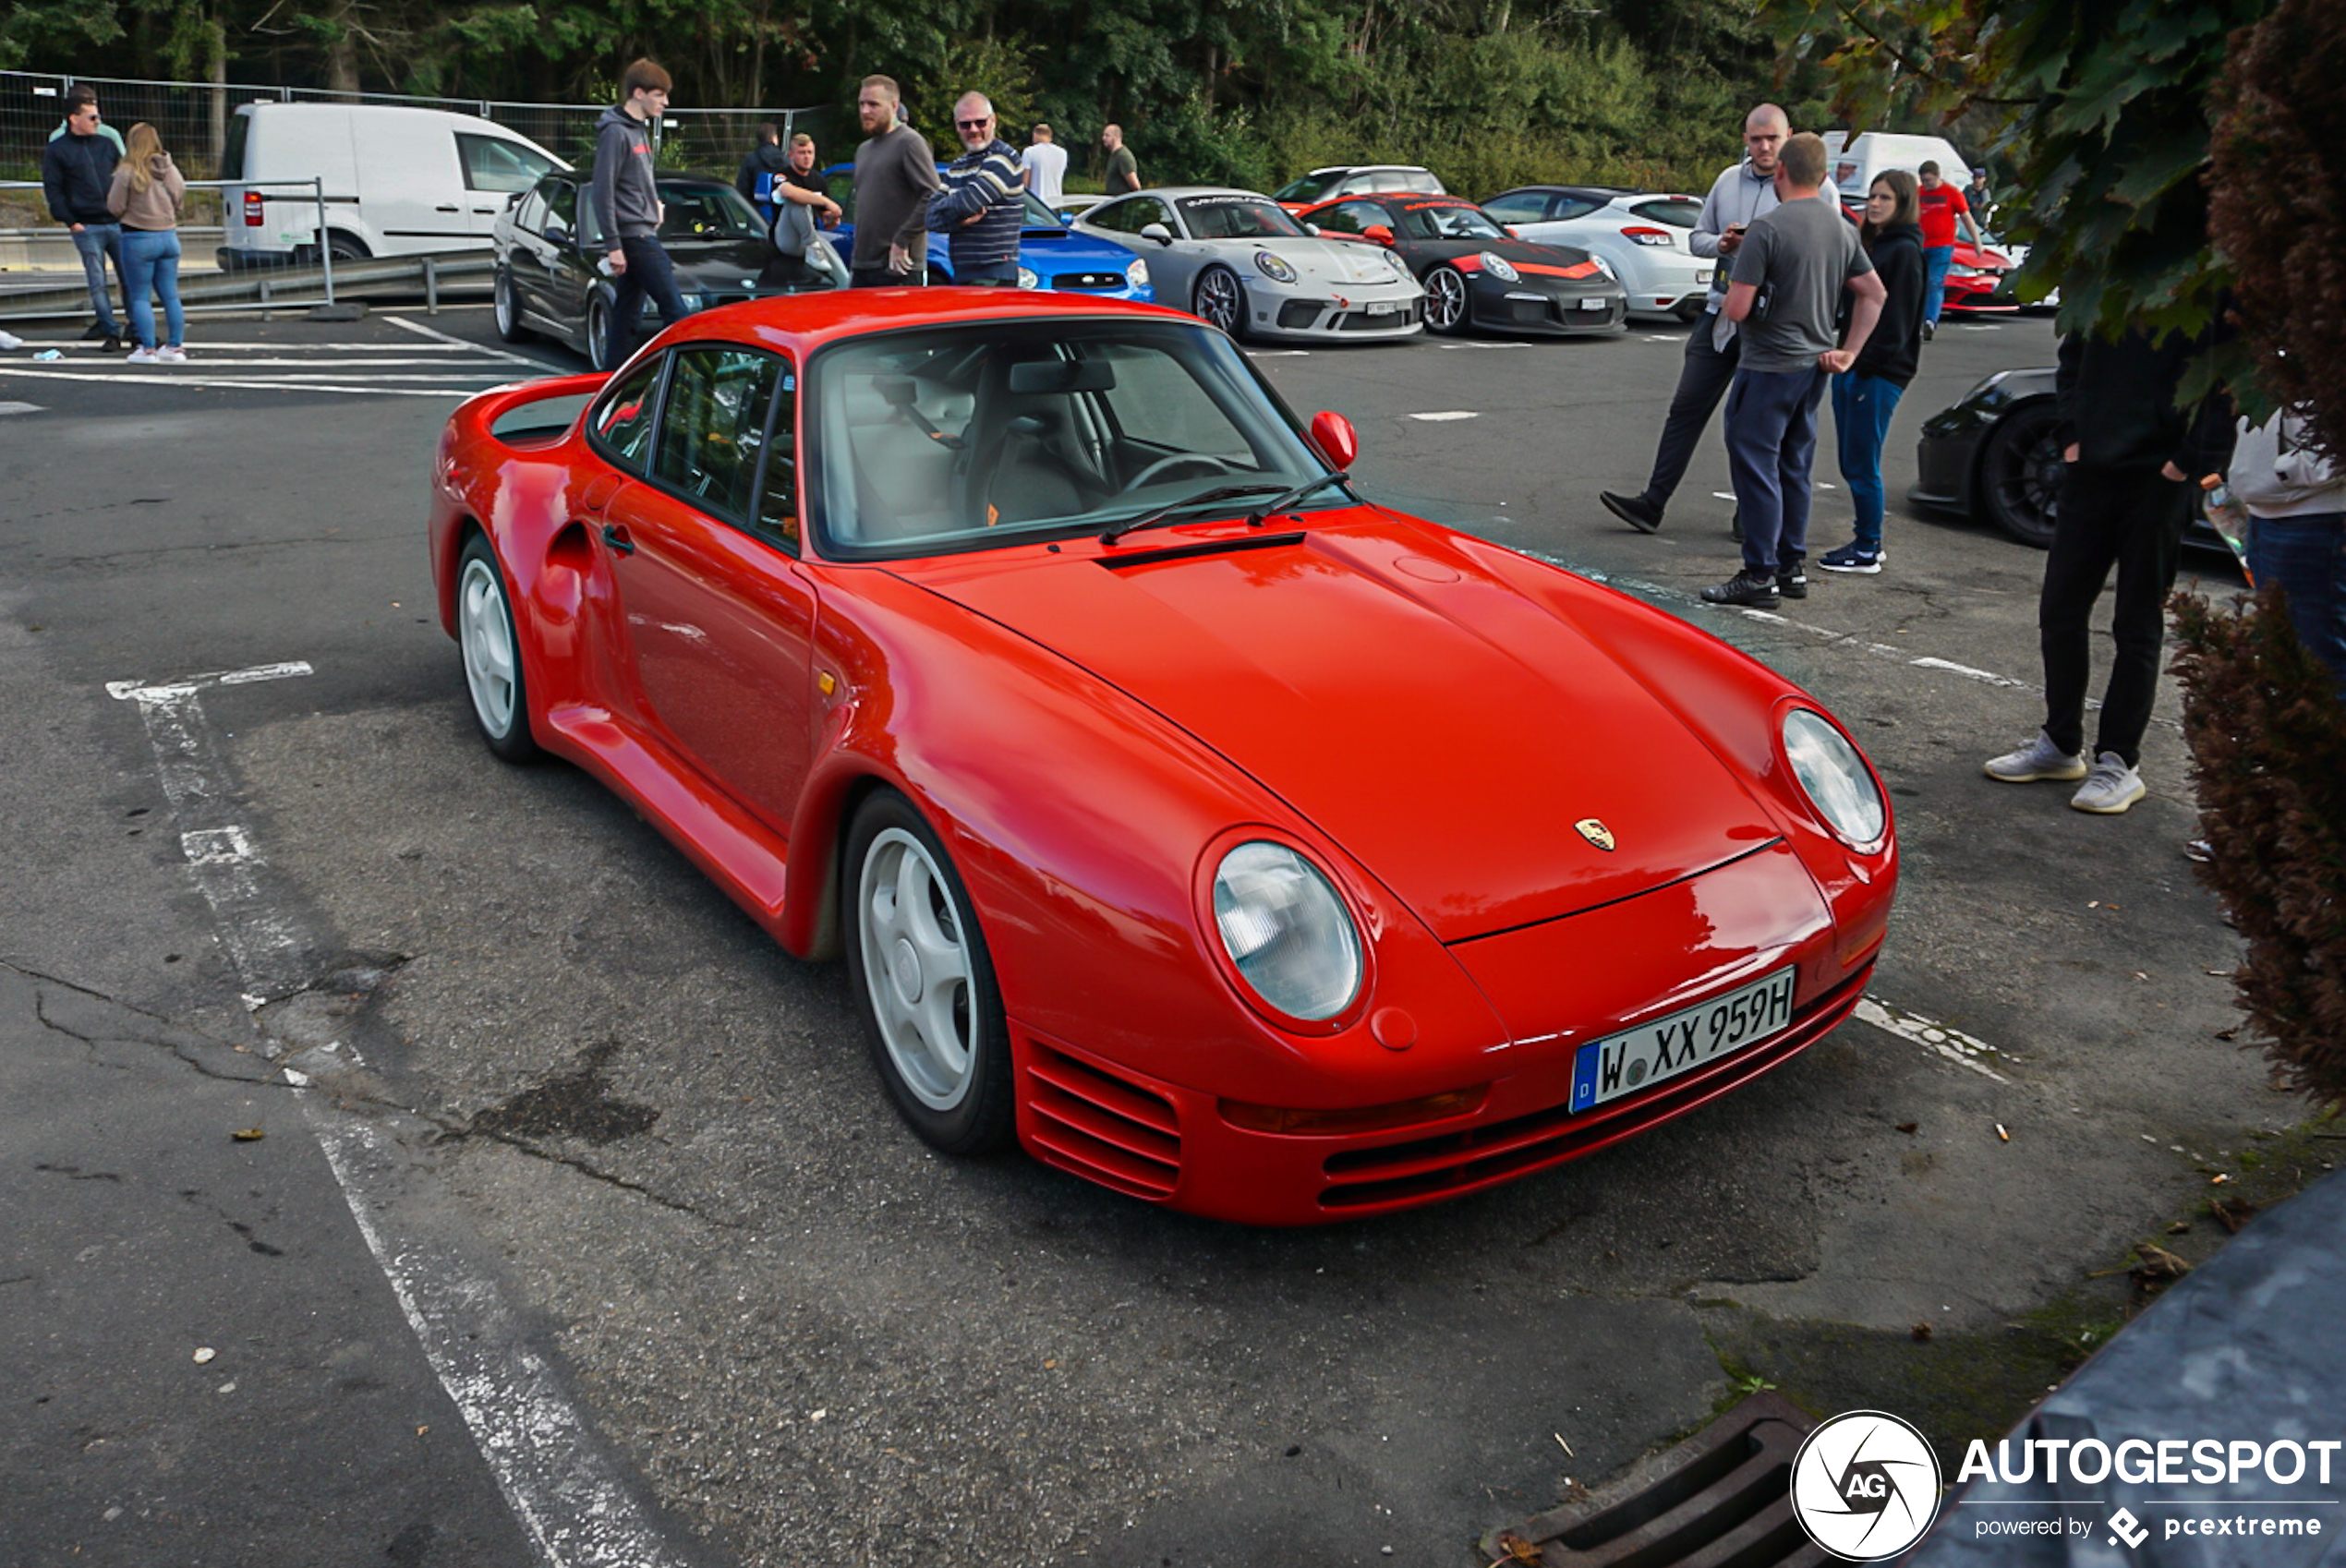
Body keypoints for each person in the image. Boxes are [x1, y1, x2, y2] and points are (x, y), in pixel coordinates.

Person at [1982, 320, 2234, 814]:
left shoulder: (2204, 283)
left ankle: (2120, 762)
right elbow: (2072, 358)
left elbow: (2226, 386)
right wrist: (2072, 438)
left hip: (2160, 479)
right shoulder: (2107, 273)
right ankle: (2059, 745)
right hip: (2090, 472)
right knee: (2060, 611)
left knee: (2136, 623)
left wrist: (2182, 465)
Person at [1600, 104, 1836, 536]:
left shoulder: (1819, 188)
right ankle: (1653, 503)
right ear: (1745, 139)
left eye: (1772, 139)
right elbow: (1697, 239)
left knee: (1757, 426)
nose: (1763, 147)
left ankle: (1752, 518)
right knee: (1686, 408)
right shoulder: (1729, 179)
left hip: (1771, 323)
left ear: (1789, 137)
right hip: (1719, 314)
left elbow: (1825, 249)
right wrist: (1723, 243)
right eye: (1755, 139)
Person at [1699, 132, 1884, 609]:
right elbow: (1873, 293)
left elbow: (1737, 309)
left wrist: (1739, 262)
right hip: (1814, 365)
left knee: (1756, 463)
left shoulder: (1767, 229)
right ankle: (1790, 566)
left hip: (1768, 365)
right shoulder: (1844, 229)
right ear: (1824, 177)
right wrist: (1849, 351)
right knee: (1794, 465)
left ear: (1780, 171)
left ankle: (1758, 573)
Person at [1818, 171, 1927, 574]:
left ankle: (1867, 546)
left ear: (1903, 204)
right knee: (1852, 460)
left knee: (1863, 463)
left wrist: (1860, 362)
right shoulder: (1873, 245)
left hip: (1878, 372)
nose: (1875, 204)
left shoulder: (1904, 253)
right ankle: (1867, 542)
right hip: (1852, 365)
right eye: (1871, 197)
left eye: (1885, 198)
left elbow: (1897, 326)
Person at [2231, 403, 2346, 694]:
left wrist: (2285, 470)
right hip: (2269, 511)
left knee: (2322, 666)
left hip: (2317, 517)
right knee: (2285, 660)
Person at [591, 58, 690, 364]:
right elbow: (602, 190)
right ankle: (683, 377)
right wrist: (613, 246)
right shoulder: (615, 133)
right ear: (638, 93)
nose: (666, 102)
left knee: (626, 320)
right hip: (634, 238)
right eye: (659, 95)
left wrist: (654, 204)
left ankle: (608, 386)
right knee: (677, 312)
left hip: (642, 230)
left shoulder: (637, 130)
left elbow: (635, 182)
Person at [42, 93, 125, 351]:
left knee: (130, 277)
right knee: (97, 280)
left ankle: (136, 326)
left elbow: (122, 177)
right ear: (74, 119)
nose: (97, 121)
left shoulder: (106, 144)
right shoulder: (57, 150)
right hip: (86, 223)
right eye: (92, 117)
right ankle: (110, 329)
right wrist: (70, 220)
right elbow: (53, 188)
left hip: (115, 220)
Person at [106, 122, 187, 365]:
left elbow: (114, 206)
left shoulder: (128, 171)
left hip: (138, 237)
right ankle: (175, 347)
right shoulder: (170, 168)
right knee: (171, 296)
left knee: (140, 297)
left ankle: (148, 349)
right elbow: (180, 195)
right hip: (169, 236)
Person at [849, 76, 940, 287]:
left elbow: (933, 196)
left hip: (897, 268)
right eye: (862, 104)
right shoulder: (863, 150)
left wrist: (902, 239)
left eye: (873, 105)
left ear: (894, 106)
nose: (865, 111)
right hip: (863, 265)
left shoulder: (910, 143)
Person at [927, 93, 1024, 285]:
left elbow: (967, 203)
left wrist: (948, 210)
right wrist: (960, 223)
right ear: (957, 125)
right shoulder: (958, 166)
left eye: (980, 122)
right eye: (965, 124)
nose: (973, 130)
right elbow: (929, 217)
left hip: (994, 273)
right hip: (962, 271)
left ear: (993, 120)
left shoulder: (1004, 158)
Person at [763, 131, 843, 283]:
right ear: (791, 155)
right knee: (797, 199)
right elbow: (787, 191)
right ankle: (812, 246)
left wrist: (833, 218)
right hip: (786, 240)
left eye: (810, 152)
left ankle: (846, 288)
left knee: (835, 264)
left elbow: (826, 221)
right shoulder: (782, 175)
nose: (807, 157)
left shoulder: (818, 179)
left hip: (809, 239)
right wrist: (826, 201)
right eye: (801, 153)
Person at [1915, 160, 1982, 338]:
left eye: (1928, 180)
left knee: (1935, 281)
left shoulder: (1952, 193)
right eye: (1923, 180)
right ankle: (1918, 321)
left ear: (1938, 177)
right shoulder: (1918, 193)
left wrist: (1977, 242)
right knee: (1919, 284)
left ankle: (1930, 321)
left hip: (1941, 246)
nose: (1926, 185)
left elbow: (1967, 218)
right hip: (1920, 246)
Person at [734, 122, 792, 224]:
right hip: (782, 210)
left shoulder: (750, 159)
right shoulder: (785, 159)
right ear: (774, 138)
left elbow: (743, 187)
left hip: (756, 212)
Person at [47, 85, 125, 154]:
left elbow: (122, 163)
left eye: (93, 104)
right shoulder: (57, 137)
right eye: (87, 103)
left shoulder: (110, 135)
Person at [1023, 123, 1068, 207]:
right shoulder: (1063, 153)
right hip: (1057, 203)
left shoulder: (1029, 152)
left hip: (1036, 204)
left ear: (1035, 135)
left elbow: (1025, 182)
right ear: (1050, 137)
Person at [1100, 124, 1140, 195]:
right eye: (1104, 135)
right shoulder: (1114, 155)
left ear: (1117, 137)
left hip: (1122, 203)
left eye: (1107, 135)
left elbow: (1136, 186)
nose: (1103, 138)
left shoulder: (1123, 156)